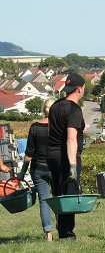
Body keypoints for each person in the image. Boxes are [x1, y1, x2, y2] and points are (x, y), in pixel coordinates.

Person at [47, 74, 85, 241]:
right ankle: (67, 234)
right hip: (66, 157)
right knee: (68, 194)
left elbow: (51, 131)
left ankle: (62, 230)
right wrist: (73, 167)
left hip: (52, 156)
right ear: (79, 89)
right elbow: (71, 139)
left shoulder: (55, 106)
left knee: (58, 193)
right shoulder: (74, 109)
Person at [17, 98, 56, 241]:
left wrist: (22, 172)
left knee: (44, 201)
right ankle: (62, 231)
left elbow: (28, 155)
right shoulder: (59, 127)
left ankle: (48, 234)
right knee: (57, 199)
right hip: (55, 168)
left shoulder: (34, 127)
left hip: (38, 169)